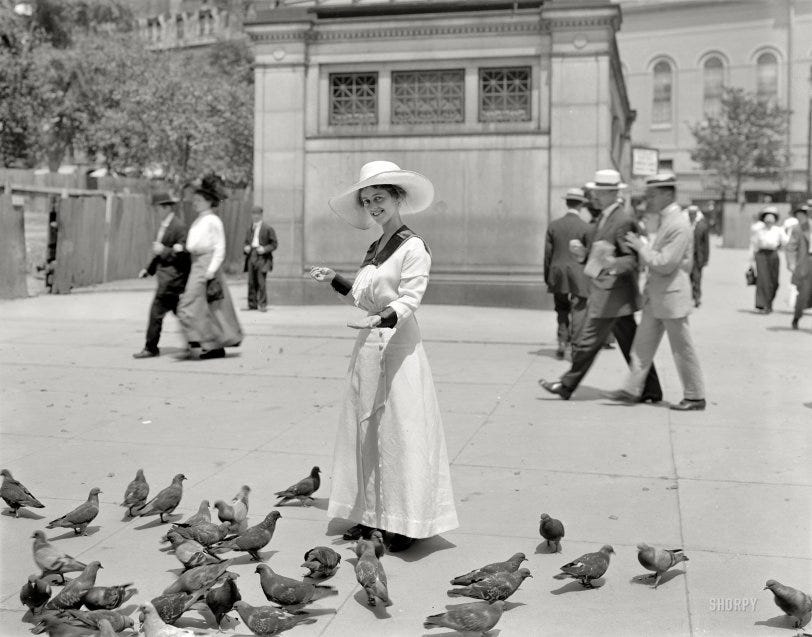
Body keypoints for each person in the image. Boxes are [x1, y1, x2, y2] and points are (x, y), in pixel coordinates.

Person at [309, 160, 458, 552]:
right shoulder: (375, 247)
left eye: (379, 198)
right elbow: (363, 297)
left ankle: (404, 522)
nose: (373, 205)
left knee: (400, 432)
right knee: (366, 432)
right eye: (367, 200)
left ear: (397, 198)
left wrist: (379, 318)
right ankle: (368, 514)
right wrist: (335, 280)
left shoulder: (413, 246)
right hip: (368, 347)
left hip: (399, 347)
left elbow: (410, 299)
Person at [539, 169, 662, 402]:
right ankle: (652, 390)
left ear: (612, 193)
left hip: (613, 294)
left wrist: (613, 262)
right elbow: (597, 254)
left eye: (600, 192)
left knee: (589, 341)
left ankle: (566, 385)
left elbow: (631, 259)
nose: (595, 195)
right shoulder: (604, 218)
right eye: (596, 191)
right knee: (630, 345)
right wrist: (582, 254)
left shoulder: (623, 220)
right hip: (610, 293)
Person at [606, 174, 706, 411]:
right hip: (658, 296)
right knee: (642, 345)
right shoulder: (668, 220)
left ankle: (695, 396)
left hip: (671, 297)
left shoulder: (678, 224)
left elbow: (665, 263)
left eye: (653, 195)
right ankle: (632, 389)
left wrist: (641, 248)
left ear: (668, 194)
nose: (648, 200)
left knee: (682, 348)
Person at [176, 175, 243, 360]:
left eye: (198, 200)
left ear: (208, 202)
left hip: (206, 265)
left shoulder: (213, 221)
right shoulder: (199, 220)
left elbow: (220, 247)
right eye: (194, 200)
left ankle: (201, 342)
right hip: (196, 263)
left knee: (188, 305)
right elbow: (193, 244)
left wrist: (211, 271)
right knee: (204, 307)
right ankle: (211, 345)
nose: (194, 203)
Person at [133, 192, 190, 359]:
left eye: (157, 208)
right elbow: (158, 253)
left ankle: (151, 348)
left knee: (156, 313)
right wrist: (148, 270)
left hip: (172, 279)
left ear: (165, 207)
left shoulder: (178, 226)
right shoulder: (164, 225)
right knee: (181, 313)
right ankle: (198, 341)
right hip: (166, 278)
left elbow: (184, 252)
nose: (156, 211)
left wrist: (164, 250)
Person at [544, 187, 591, 358]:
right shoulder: (586, 228)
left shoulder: (554, 226)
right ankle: (576, 346)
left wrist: (547, 277)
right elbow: (590, 254)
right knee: (578, 309)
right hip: (579, 274)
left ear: (566, 203)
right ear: (581, 205)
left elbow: (548, 255)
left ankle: (562, 341)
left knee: (561, 308)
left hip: (558, 273)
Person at [749, 205, 785, 314]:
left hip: (773, 255)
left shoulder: (778, 230)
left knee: (774, 281)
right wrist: (751, 260)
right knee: (763, 280)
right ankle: (762, 304)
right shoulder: (759, 230)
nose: (769, 220)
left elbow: (785, 242)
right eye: (767, 217)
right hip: (761, 255)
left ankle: (769, 303)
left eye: (771, 217)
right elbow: (754, 244)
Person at [242, 206, 278, 313]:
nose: (255, 216)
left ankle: (262, 305)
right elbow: (246, 242)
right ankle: (252, 304)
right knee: (251, 281)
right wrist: (246, 247)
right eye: (253, 214)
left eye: (257, 214)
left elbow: (274, 244)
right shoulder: (249, 228)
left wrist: (265, 249)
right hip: (251, 255)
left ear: (261, 215)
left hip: (262, 257)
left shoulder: (267, 228)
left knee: (261, 281)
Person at [786, 204, 812, 330]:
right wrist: (791, 262)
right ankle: (797, 317)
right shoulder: (799, 228)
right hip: (806, 262)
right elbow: (791, 246)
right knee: (804, 293)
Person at [686, 204, 710, 308]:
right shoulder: (685, 225)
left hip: (697, 257)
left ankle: (697, 298)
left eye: (693, 213)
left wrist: (705, 258)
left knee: (697, 278)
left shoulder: (702, 226)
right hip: (687, 257)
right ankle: (688, 298)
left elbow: (706, 244)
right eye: (690, 213)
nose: (691, 215)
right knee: (687, 279)